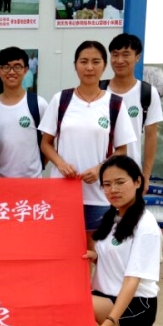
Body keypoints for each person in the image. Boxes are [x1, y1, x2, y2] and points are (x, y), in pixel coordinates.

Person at [38, 40, 136, 238]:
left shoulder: (114, 104)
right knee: (61, 244)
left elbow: (122, 150)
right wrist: (61, 164)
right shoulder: (61, 99)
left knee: (95, 248)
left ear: (104, 66)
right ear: (75, 65)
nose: (89, 67)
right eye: (83, 61)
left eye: (95, 62)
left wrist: (100, 169)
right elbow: (45, 143)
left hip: (98, 194)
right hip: (63, 190)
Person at [82, 155, 160, 326]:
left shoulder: (146, 226)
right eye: (106, 184)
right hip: (108, 295)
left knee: (77, 311)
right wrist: (95, 256)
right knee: (68, 302)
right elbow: (115, 256)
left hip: (136, 306)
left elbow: (132, 280)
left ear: (137, 182)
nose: (112, 190)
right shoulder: (114, 215)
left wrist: (108, 323)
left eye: (120, 182)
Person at [105, 33, 163, 191]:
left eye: (126, 55)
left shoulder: (148, 93)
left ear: (137, 57)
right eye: (115, 55)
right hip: (98, 173)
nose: (119, 60)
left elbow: (151, 137)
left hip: (130, 174)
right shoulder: (99, 90)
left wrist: (146, 175)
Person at [0, 47, 47, 178]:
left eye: (17, 67)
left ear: (25, 70)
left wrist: (35, 171)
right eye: (6, 67)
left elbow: (48, 144)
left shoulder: (39, 104)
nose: (11, 72)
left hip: (32, 182)